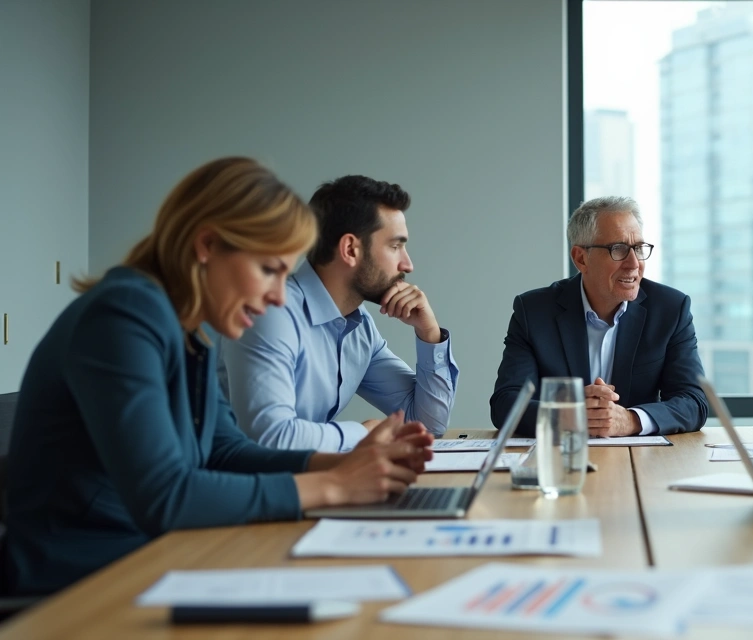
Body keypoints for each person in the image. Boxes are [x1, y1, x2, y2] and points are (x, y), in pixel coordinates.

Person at [2, 158, 434, 596]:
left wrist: (348, 465)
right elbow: (165, 497)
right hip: (73, 583)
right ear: (207, 245)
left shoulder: (187, 328)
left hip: (145, 558)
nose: (278, 296)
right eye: (269, 270)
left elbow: (225, 451)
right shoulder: (122, 316)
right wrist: (334, 485)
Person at [219, 175, 458, 451]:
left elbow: (428, 424)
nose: (408, 264)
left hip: (308, 484)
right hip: (243, 489)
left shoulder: (358, 326)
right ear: (350, 249)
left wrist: (429, 334)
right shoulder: (271, 314)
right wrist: (363, 434)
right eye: (395, 246)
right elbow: (271, 438)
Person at [490, 196, 707, 438]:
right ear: (581, 258)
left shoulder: (670, 309)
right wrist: (570, 416)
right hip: (563, 457)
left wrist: (630, 420)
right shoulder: (534, 311)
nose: (634, 263)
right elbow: (505, 404)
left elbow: (694, 402)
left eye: (638, 249)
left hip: (641, 463)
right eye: (619, 249)